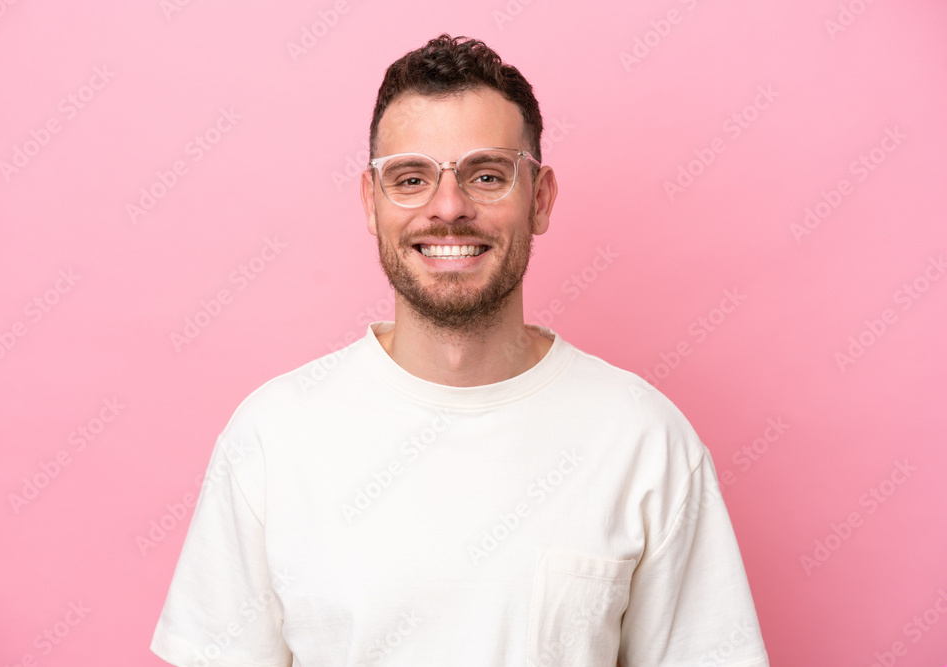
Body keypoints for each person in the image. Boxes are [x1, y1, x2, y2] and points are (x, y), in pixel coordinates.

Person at [150, 34, 770, 666]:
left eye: (487, 176)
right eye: (411, 178)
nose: (449, 209)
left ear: (542, 198)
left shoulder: (645, 440)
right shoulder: (272, 438)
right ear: (371, 203)